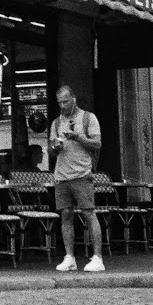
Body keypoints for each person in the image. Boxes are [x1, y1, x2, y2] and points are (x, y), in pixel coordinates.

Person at [49, 85, 104, 273]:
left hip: (81, 173)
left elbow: (97, 144)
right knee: (65, 214)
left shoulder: (89, 118)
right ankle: (69, 256)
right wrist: (55, 146)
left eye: (65, 101)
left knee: (89, 213)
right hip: (61, 174)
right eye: (60, 102)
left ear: (73, 98)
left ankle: (97, 257)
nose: (63, 105)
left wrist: (78, 137)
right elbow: (50, 150)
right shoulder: (56, 122)